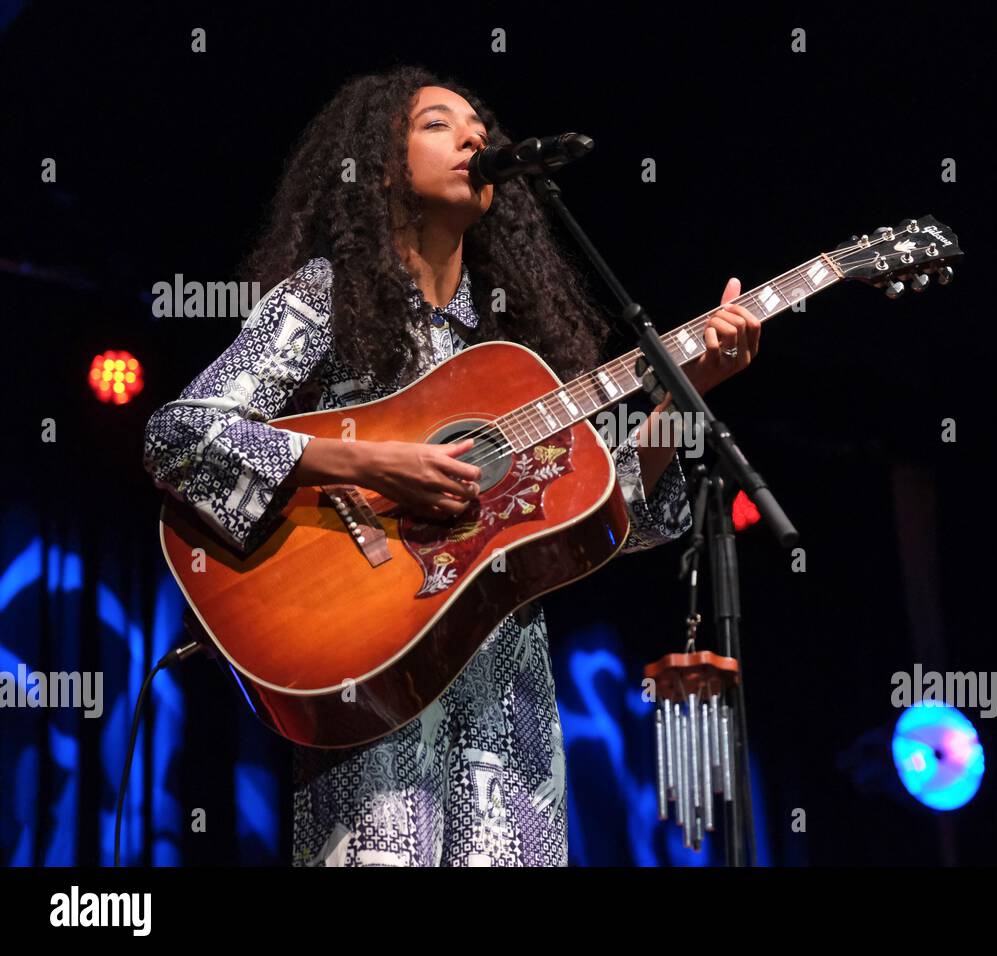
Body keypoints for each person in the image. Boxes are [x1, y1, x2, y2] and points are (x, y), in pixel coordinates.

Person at [142, 66, 760, 866]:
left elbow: (617, 516)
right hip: (367, 666)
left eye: (481, 127)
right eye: (440, 124)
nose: (476, 137)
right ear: (383, 163)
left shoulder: (510, 358)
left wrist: (689, 395)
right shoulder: (324, 297)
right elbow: (180, 435)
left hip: (511, 696)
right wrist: (371, 464)